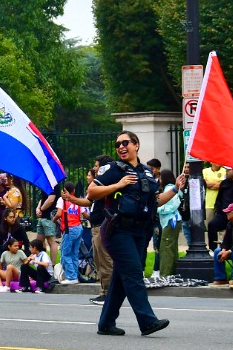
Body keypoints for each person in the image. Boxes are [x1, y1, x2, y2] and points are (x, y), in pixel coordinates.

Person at [87, 130, 185, 336]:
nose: (121, 147)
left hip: (140, 232)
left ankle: (106, 323)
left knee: (122, 279)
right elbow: (92, 193)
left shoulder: (147, 172)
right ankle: (147, 321)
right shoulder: (114, 170)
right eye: (118, 144)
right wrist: (118, 185)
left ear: (136, 145)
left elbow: (155, 202)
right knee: (133, 274)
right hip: (117, 231)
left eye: (126, 143)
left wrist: (175, 188)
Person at [61, 155, 114, 304]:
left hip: (101, 227)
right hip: (95, 227)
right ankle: (105, 292)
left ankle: (108, 294)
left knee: (105, 262)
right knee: (99, 261)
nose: (94, 169)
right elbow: (87, 201)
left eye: (96, 166)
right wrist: (70, 199)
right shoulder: (99, 186)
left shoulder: (106, 184)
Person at [54, 181, 88, 285]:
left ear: (64, 191)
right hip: (78, 227)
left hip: (69, 229)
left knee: (65, 254)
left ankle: (71, 276)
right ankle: (75, 275)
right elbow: (85, 215)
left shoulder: (62, 200)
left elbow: (59, 213)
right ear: (73, 191)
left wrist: (54, 220)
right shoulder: (77, 200)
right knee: (74, 253)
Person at [207, 167, 233, 251]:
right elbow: (219, 198)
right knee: (212, 225)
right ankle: (213, 249)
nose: (226, 172)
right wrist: (218, 209)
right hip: (224, 213)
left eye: (228, 171)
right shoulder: (224, 183)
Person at [0, 208, 30, 275]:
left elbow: (26, 243)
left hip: (15, 252)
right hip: (2, 251)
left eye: (14, 217)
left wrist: (26, 256)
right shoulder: (0, 228)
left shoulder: (20, 228)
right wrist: (4, 248)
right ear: (5, 218)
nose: (13, 219)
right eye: (10, 217)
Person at [157, 169, 183, 277]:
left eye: (160, 178)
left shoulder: (169, 189)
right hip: (171, 221)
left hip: (170, 221)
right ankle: (172, 272)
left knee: (166, 247)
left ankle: (165, 274)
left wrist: (157, 209)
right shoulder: (171, 188)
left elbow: (172, 205)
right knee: (171, 247)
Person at [35, 183, 60, 265]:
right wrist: (38, 208)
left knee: (51, 241)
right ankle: (42, 262)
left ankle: (52, 264)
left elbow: (51, 199)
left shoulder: (53, 184)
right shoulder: (45, 183)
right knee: (39, 241)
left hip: (49, 217)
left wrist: (41, 209)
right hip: (42, 217)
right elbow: (43, 198)